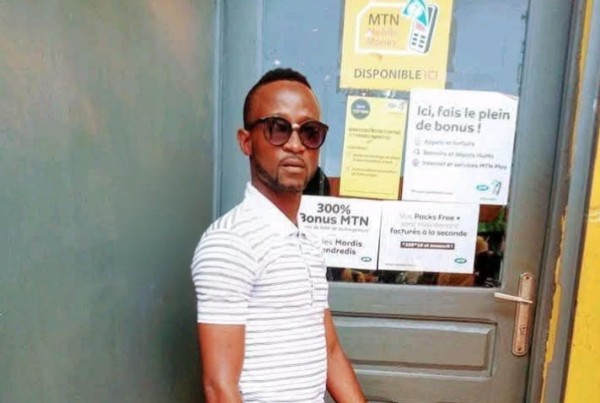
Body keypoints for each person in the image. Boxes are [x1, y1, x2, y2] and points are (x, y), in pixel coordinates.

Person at [191, 68, 366, 402]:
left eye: (310, 132)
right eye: (278, 128)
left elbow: (329, 351)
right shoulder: (230, 243)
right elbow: (220, 387)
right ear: (246, 141)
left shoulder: (308, 243)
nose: (296, 145)